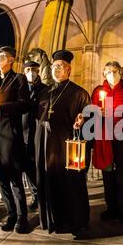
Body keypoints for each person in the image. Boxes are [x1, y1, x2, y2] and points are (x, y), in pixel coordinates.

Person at [35, 50, 91, 235]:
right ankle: (54, 221)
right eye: (54, 66)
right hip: (46, 147)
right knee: (51, 184)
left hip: (68, 148)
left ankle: (78, 224)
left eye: (60, 66)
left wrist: (82, 123)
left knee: (72, 185)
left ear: (68, 69)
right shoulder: (44, 92)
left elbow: (90, 124)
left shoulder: (80, 93)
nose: (56, 69)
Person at [0, 46, 31, 234]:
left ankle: (22, 217)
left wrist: (2, 108)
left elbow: (24, 105)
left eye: (2, 56)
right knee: (2, 181)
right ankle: (11, 214)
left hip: (9, 137)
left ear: (11, 60)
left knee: (15, 180)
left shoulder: (18, 79)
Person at [91, 61, 123, 221]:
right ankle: (111, 208)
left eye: (115, 70)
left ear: (120, 72)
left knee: (122, 175)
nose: (112, 73)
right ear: (104, 73)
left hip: (122, 139)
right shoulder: (98, 92)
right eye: (108, 71)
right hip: (105, 139)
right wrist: (98, 113)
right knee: (108, 175)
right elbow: (92, 115)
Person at [21, 61, 44, 211]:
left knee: (39, 167)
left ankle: (42, 196)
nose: (31, 72)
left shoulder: (44, 89)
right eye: (28, 70)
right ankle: (36, 195)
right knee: (28, 168)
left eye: (34, 70)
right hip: (23, 134)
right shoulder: (20, 89)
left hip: (38, 134)